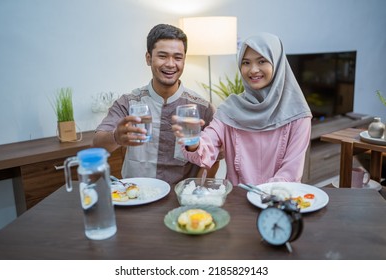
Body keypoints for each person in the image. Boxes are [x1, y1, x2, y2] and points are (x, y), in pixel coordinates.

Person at [173, 32, 312, 187]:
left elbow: (290, 173)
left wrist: (261, 196)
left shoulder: (298, 115)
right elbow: (205, 151)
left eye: (262, 61)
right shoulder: (229, 109)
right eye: (246, 62)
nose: (253, 70)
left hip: (278, 201)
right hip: (237, 202)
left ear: (278, 64)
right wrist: (192, 140)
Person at [93, 24, 218, 186]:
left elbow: (214, 158)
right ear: (148, 58)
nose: (171, 64)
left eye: (178, 57)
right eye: (163, 56)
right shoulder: (128, 102)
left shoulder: (202, 108)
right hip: (136, 196)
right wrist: (117, 137)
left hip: (181, 200)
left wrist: (197, 190)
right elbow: (97, 145)